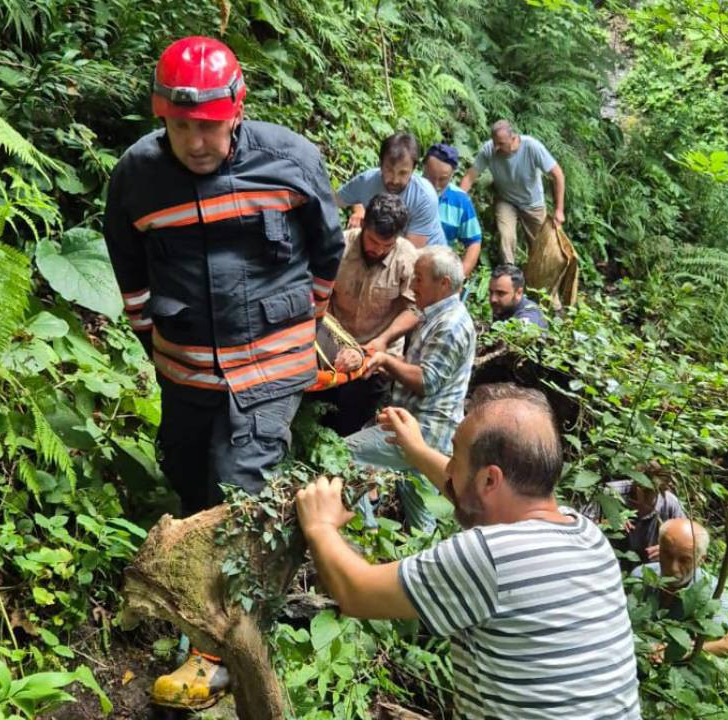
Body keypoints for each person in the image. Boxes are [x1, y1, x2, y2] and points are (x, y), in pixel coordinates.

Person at [103, 36, 345, 709]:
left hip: (271, 365)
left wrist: (302, 325)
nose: (195, 141)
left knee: (240, 485)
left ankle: (217, 650)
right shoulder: (137, 176)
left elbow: (328, 253)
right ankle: (217, 574)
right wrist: (154, 339)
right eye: (179, 126)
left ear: (235, 113)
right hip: (186, 368)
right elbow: (129, 271)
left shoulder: (291, 159)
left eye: (207, 126)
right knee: (186, 473)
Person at [296, 398, 641, 719]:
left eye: (454, 458)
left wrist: (321, 525)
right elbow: (469, 493)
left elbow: (358, 593)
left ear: (490, 478)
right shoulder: (584, 534)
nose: (448, 468)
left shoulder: (492, 556)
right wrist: (416, 451)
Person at [344, 246, 475, 530]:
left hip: (425, 430)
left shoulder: (450, 324)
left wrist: (387, 362)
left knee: (346, 454)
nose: (413, 285)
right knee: (418, 508)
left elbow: (427, 380)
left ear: (443, 284)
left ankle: (365, 538)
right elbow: (419, 365)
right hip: (417, 425)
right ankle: (425, 559)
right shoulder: (434, 316)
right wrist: (385, 362)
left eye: (419, 278)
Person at [317, 193, 420, 435]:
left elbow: (415, 308)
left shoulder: (407, 258)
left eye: (388, 245)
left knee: (352, 422)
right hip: (331, 345)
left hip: (377, 353)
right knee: (320, 413)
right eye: (374, 241)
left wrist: (382, 341)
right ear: (363, 225)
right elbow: (320, 296)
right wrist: (336, 342)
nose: (379, 249)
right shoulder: (339, 247)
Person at [460, 120, 566, 264]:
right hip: (506, 200)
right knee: (506, 237)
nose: (496, 147)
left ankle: (539, 281)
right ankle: (508, 274)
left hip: (532, 203)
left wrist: (559, 210)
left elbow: (558, 174)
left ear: (514, 138)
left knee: (541, 246)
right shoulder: (489, 149)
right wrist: (458, 200)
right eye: (495, 142)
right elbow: (470, 176)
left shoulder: (531, 147)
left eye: (501, 143)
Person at [632, 518, 728, 661]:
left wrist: (673, 652)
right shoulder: (641, 576)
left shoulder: (711, 591)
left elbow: (727, 644)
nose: (673, 567)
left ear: (701, 559)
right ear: (659, 549)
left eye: (684, 560)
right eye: (667, 555)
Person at [337, 132, 448, 248]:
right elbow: (332, 201)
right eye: (389, 170)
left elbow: (411, 253)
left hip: (426, 255)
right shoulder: (366, 181)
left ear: (414, 169)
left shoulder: (425, 197)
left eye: (403, 173)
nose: (395, 180)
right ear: (380, 164)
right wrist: (359, 210)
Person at [603, 466, 687, 572]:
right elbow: (585, 525)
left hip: (650, 566)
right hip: (613, 561)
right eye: (636, 501)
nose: (641, 509)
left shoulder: (669, 502)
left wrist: (667, 549)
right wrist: (610, 520)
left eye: (650, 498)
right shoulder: (610, 494)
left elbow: (686, 539)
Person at [421, 143, 483, 276]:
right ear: (423, 167)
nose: (435, 184)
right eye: (430, 177)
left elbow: (474, 242)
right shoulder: (408, 186)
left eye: (442, 179)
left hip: (437, 271)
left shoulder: (460, 200)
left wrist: (459, 277)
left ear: (452, 175)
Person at [488, 264, 547, 328]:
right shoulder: (504, 309)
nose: (493, 299)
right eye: (491, 292)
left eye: (501, 293)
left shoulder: (529, 313)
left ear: (518, 293)